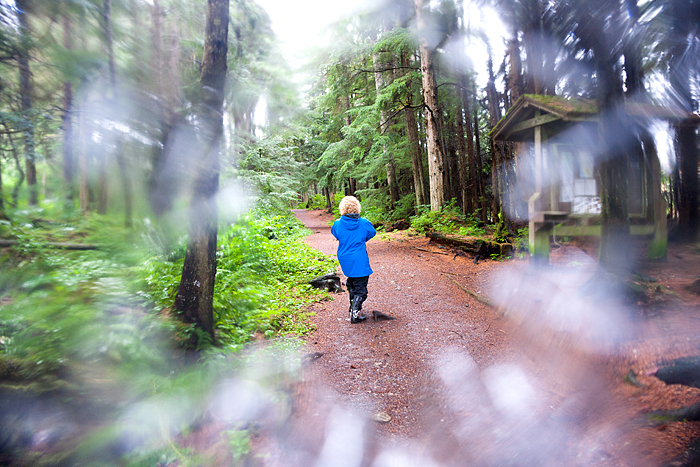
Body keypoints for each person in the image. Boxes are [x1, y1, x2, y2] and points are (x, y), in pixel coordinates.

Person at [331, 196, 377, 323]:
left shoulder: (337, 224)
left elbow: (336, 234)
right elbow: (372, 232)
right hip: (359, 257)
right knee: (361, 287)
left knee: (352, 281)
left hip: (344, 257)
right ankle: (355, 314)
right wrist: (361, 239)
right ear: (357, 207)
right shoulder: (364, 223)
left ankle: (353, 307)